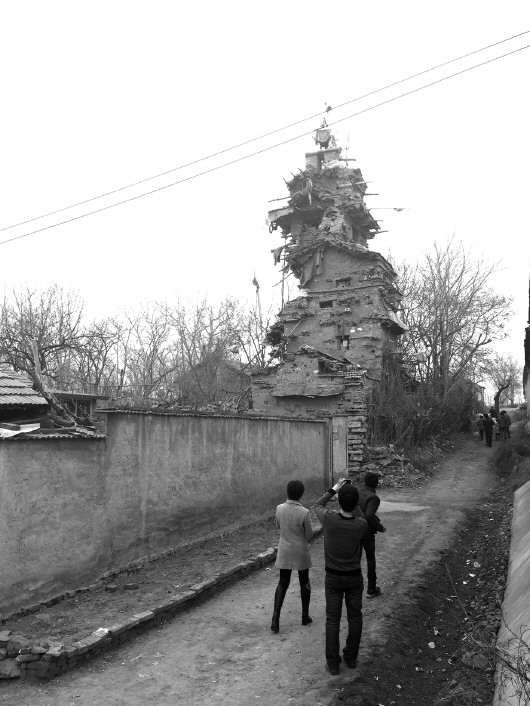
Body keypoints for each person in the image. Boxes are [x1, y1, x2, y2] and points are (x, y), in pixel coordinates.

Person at [314, 479, 367, 675]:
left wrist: (334, 489)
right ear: (355, 503)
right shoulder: (361, 524)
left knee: (332, 620)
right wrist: (354, 500)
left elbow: (317, 505)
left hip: (333, 578)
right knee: (355, 618)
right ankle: (351, 658)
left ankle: (333, 663)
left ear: (338, 501)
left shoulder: (329, 519)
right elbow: (360, 515)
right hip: (354, 577)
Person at [271, 479, 314, 633]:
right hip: (300, 551)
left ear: (287, 492)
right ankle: (304, 615)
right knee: (304, 582)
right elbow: (309, 534)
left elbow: (278, 526)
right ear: (301, 494)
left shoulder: (279, 508)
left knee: (283, 582)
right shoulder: (304, 512)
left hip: (285, 550)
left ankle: (275, 617)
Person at [358, 472, 387, 598]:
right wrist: (380, 527)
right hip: (366, 531)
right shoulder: (373, 498)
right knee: (370, 558)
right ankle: (371, 589)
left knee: (355, 559)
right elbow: (369, 515)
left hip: (354, 529)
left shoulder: (358, 492)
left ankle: (354, 587)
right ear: (377, 484)